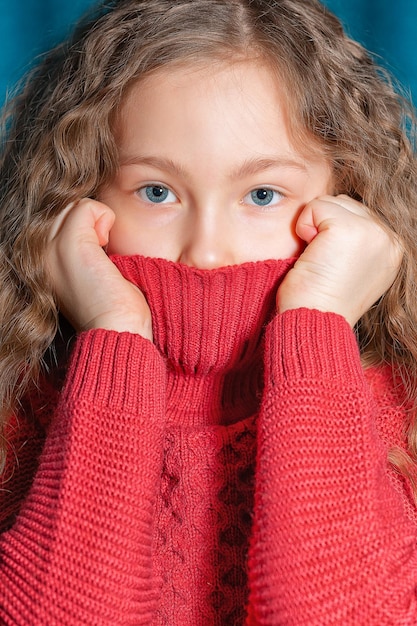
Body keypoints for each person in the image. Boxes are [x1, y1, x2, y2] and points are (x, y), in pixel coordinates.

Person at [0, 0, 417, 623]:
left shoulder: (402, 421)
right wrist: (113, 342)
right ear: (78, 199)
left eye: (262, 194)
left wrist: (316, 329)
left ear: (349, 202)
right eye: (157, 192)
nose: (207, 251)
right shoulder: (20, 410)